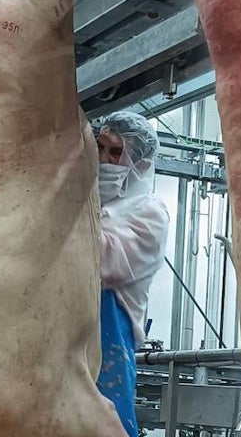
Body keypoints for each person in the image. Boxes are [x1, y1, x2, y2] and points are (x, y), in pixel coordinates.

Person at [93, 111, 169, 437]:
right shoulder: (86, 202)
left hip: (107, 335)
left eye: (115, 152)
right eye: (99, 148)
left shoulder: (151, 212)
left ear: (139, 164)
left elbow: (106, 262)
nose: (104, 160)